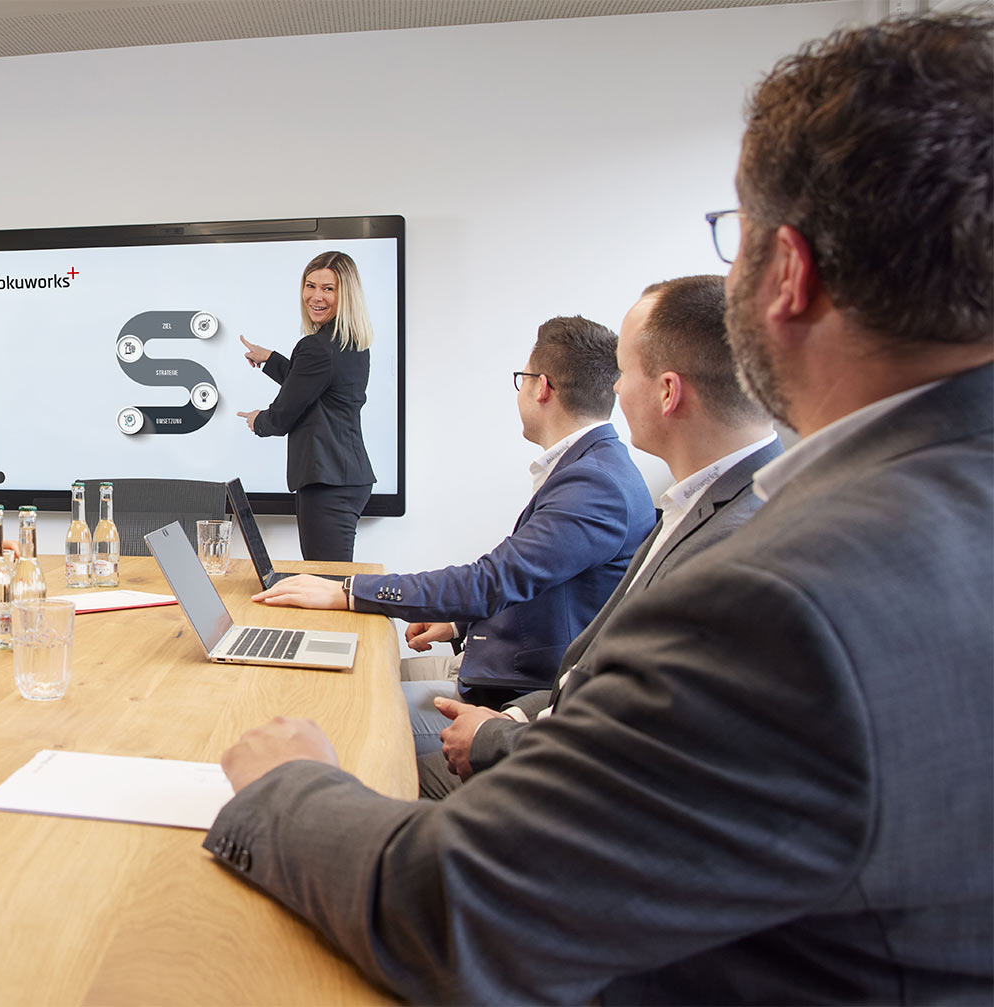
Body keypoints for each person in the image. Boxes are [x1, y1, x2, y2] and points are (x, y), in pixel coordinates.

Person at [203, 12, 993, 1001]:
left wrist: (287, 787)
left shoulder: (795, 597)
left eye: (734, 236)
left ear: (787, 273)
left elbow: (459, 911)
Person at [421, 274, 780, 798]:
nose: (612, 388)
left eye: (625, 371)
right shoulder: (697, 504)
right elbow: (590, 671)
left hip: (574, 792)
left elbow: (640, 744)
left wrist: (496, 736)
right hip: (544, 718)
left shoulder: (738, 541)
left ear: (667, 391)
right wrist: (521, 714)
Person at [256, 316, 655, 755]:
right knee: (363, 668)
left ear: (541, 387)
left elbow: (491, 581)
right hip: (499, 658)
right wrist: (457, 623)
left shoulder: (595, 484)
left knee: (337, 713)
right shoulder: (594, 466)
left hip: (514, 693)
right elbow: (537, 579)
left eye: (521, 379)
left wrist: (348, 592)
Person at [235, 251, 376, 561]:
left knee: (325, 581)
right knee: (329, 579)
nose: (316, 296)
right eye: (310, 285)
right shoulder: (350, 341)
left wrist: (260, 421)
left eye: (328, 288)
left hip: (327, 481)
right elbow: (313, 388)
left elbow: (285, 413)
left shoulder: (316, 347)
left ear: (346, 294)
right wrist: (271, 359)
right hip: (345, 476)